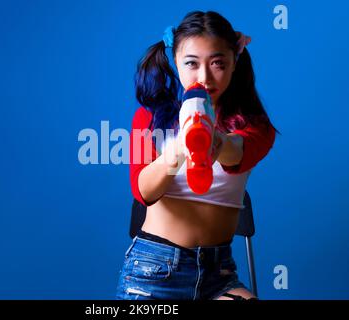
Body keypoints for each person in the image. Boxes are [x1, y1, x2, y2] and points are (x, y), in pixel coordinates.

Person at [115, 10, 278, 300]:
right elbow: (144, 192)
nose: (204, 77)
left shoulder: (255, 126)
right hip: (155, 271)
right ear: (175, 63)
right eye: (191, 63)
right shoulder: (147, 119)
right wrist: (181, 144)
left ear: (233, 64)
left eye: (218, 63)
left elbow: (236, 154)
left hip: (220, 275)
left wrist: (213, 141)